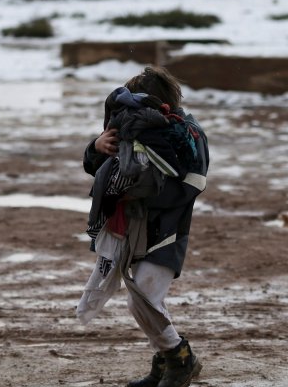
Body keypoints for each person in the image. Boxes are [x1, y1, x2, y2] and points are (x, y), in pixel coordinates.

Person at [77, 66, 209, 387]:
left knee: (143, 297)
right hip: (131, 230)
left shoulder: (187, 133)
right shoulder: (130, 128)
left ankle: (180, 358)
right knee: (147, 300)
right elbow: (98, 168)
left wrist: (145, 193)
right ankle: (166, 363)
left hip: (168, 229)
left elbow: (195, 182)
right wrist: (96, 148)